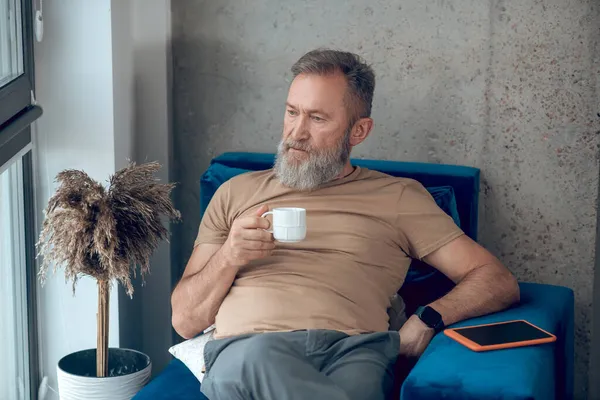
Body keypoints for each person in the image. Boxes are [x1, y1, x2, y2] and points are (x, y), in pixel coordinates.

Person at [171, 48, 520, 400]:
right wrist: (230, 255)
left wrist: (429, 318)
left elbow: (496, 280)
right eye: (292, 112)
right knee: (257, 359)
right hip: (250, 346)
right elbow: (185, 321)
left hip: (353, 352)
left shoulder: (398, 197)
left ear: (359, 130)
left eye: (317, 119)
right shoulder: (236, 193)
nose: (296, 132)